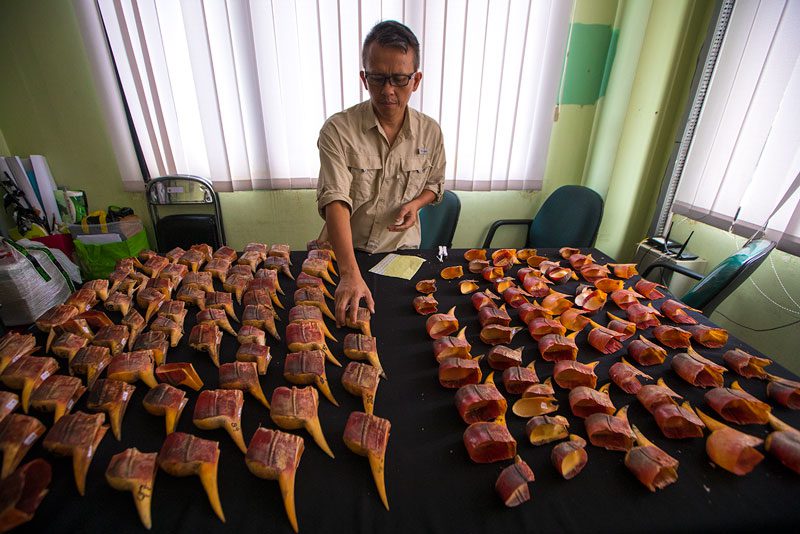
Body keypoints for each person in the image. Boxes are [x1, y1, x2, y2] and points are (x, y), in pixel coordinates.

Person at [316, 20, 446, 327]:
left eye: (400, 79)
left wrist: (416, 204)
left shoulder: (430, 132)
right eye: (377, 78)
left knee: (399, 332)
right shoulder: (338, 130)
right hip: (345, 253)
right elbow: (335, 199)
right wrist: (349, 273)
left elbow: (434, 184)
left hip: (399, 254)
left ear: (416, 80)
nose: (388, 90)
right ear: (364, 78)